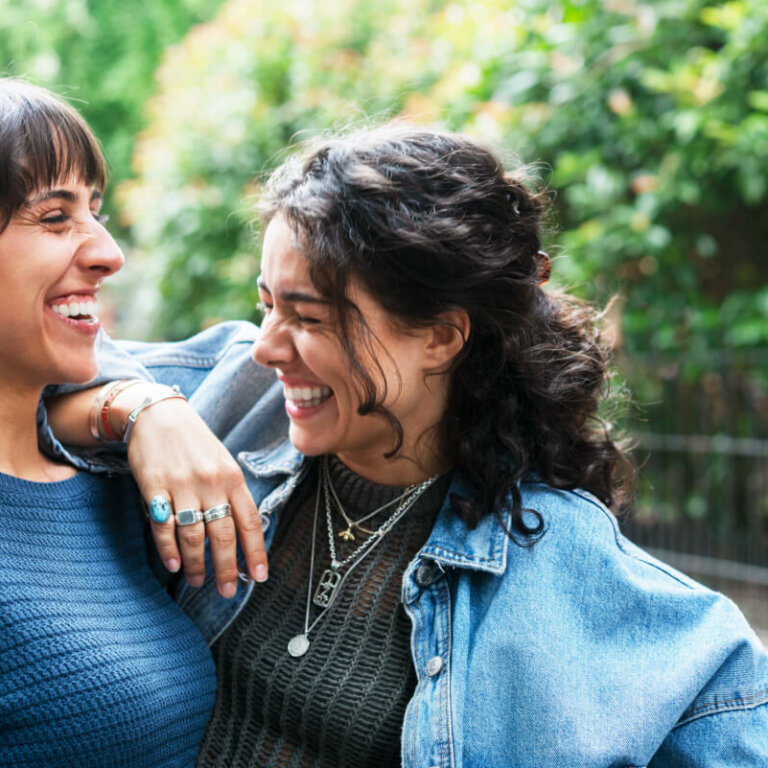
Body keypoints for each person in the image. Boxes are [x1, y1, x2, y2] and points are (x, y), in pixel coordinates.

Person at [45, 125, 768, 766]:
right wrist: (141, 409)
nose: (268, 347)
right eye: (266, 305)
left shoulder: (561, 563)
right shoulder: (236, 396)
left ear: (441, 335)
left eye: (311, 319)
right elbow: (39, 368)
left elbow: (731, 700)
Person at [0, 77, 220, 767]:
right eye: (54, 217)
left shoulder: (120, 487)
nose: (107, 253)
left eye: (94, 210)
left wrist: (147, 406)